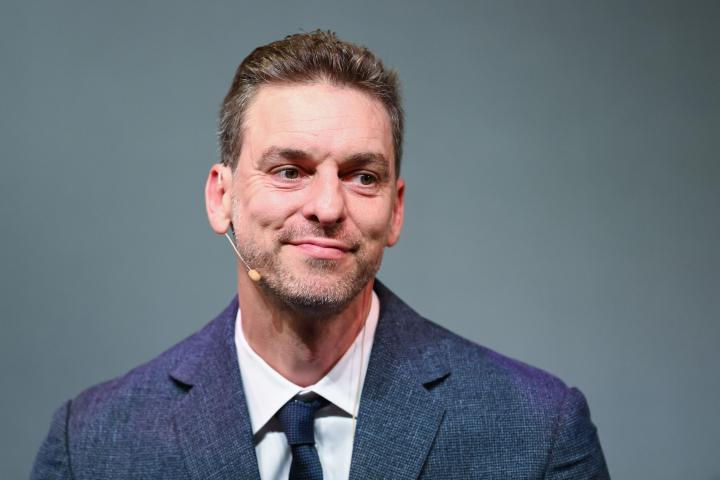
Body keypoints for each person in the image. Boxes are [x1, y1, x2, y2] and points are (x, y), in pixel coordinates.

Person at [32, 30, 609, 479]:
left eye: (362, 176)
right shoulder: (92, 447)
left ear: (396, 210)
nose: (328, 206)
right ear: (221, 197)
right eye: (290, 171)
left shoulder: (539, 433)